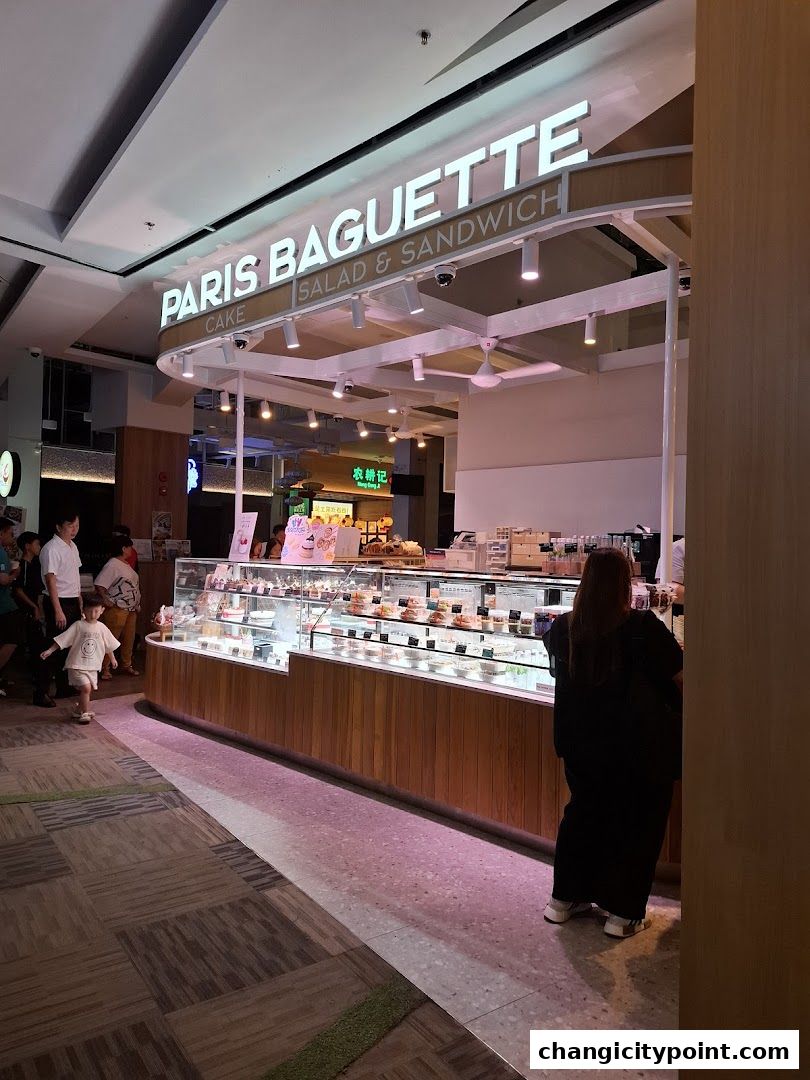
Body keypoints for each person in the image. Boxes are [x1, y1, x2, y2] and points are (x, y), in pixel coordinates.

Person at [542, 548, 683, 939]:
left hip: (579, 745)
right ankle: (623, 914)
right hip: (635, 749)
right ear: (626, 584)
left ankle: (563, 900)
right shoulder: (642, 628)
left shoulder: (564, 627)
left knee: (583, 815)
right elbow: (681, 677)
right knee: (637, 824)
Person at [41, 593, 119, 723]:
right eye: (89, 611)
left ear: (102, 610)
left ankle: (78, 711)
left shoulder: (102, 628)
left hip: (92, 665)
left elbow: (108, 644)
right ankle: (85, 713)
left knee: (87, 690)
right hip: (77, 664)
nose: (93, 614)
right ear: (83, 610)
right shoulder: (78, 625)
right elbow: (64, 639)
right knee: (86, 688)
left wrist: (112, 659)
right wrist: (50, 650)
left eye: (96, 611)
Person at [40, 511, 83, 698]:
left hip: (72, 600)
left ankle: (63, 687)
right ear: (58, 527)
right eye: (70, 526)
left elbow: (75, 576)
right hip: (59, 601)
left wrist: (79, 599)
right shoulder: (51, 548)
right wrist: (57, 609)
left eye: (77, 526)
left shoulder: (72, 546)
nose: (74, 530)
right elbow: (50, 579)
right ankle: (41, 692)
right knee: (54, 646)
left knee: (69, 647)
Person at [13, 531, 53, 707]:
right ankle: (39, 690)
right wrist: (34, 607)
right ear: (28, 546)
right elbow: (19, 590)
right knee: (38, 649)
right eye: (36, 544)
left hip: (32, 612)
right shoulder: (24, 566)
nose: (39, 547)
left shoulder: (34, 565)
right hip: (26, 614)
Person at [95, 537, 141, 678]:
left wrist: (137, 604)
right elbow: (100, 584)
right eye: (129, 547)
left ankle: (126, 664)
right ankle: (105, 668)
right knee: (111, 638)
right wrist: (106, 599)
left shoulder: (124, 564)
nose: (131, 550)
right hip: (118, 608)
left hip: (130, 608)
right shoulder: (113, 565)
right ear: (123, 548)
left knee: (129, 638)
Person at [0, 516, 23, 697]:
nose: (12, 536)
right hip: (4, 605)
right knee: (12, 639)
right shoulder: (0, 551)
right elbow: (2, 579)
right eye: (10, 532)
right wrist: (15, 573)